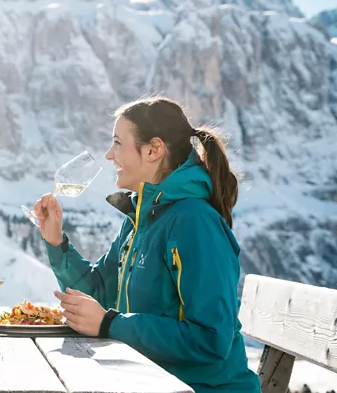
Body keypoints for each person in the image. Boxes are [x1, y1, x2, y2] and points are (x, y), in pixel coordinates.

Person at [34, 96, 260, 392]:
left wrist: (110, 324)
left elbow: (210, 338)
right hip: (154, 383)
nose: (109, 155)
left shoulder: (194, 222)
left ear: (153, 150)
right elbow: (99, 293)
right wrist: (55, 241)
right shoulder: (140, 219)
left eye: (117, 143)